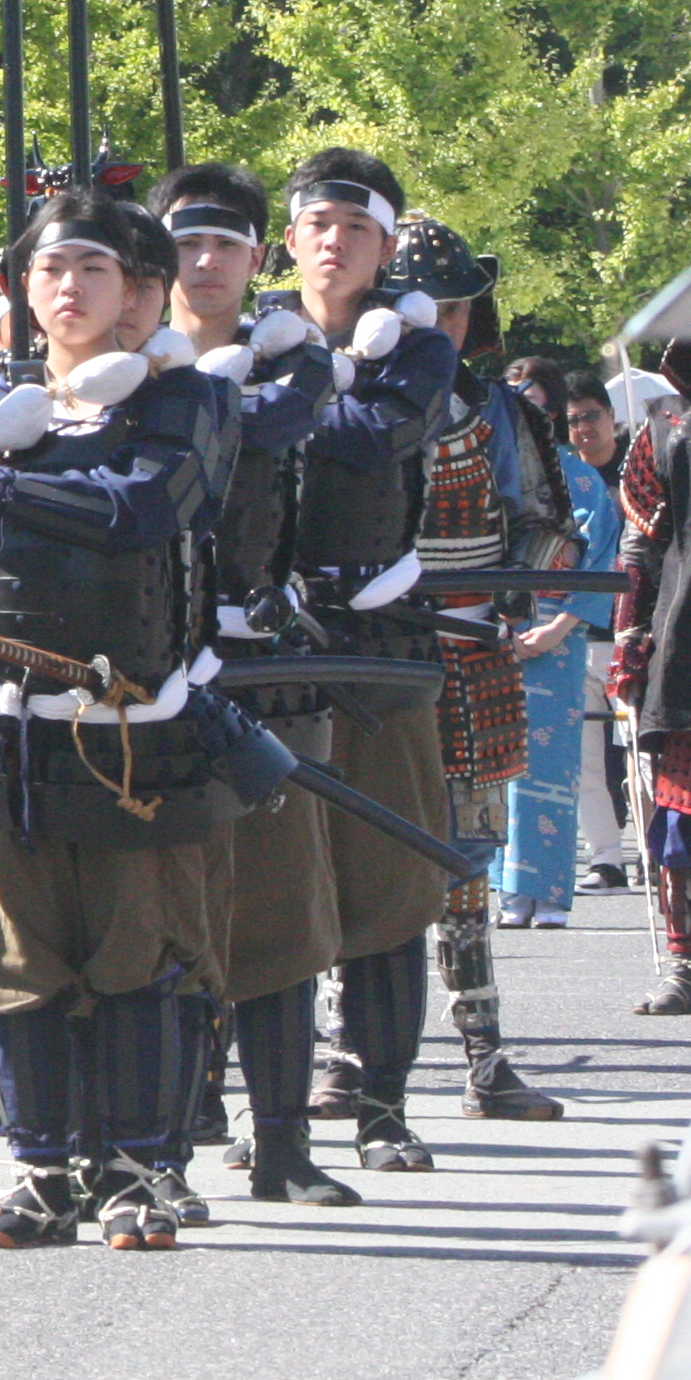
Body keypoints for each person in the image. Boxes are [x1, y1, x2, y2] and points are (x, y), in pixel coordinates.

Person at [0, 186, 229, 1250]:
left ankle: (137, 1169)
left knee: (136, 957)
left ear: (139, 288)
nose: (69, 287)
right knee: (10, 964)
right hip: (2, 728)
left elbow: (138, 509)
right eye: (50, 268)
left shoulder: (181, 403)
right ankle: (41, 1169)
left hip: (129, 729)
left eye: (94, 268)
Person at [157, 161, 356, 1209]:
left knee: (279, 916)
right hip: (141, 678)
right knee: (163, 924)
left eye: (224, 244)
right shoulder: (119, 372)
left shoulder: (296, 370)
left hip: (265, 669)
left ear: (254, 256)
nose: (204, 262)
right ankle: (164, 1151)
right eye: (186, 242)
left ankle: (281, 1140)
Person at [273, 151, 463, 1173]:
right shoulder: (250, 329)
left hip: (378, 641)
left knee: (388, 880)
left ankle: (384, 1103)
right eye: (317, 221)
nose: (334, 237)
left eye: (356, 223)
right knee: (265, 882)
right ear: (291, 239)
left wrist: (283, 400)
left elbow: (374, 436)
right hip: (263, 640)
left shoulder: (418, 348)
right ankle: (266, 1115)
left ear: (387, 245)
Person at [371, 211, 569, 1124]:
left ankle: (484, 1054)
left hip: (472, 652)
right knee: (356, 851)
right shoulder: (347, 397)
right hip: (370, 657)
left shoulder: (499, 409)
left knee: (464, 864)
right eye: (425, 311)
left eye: (455, 313)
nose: (441, 329)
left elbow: (544, 520)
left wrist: (523, 593)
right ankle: (345, 1059)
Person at [498, 371, 620, 925]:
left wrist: (558, 628)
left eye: (540, 408)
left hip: (559, 632)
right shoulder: (494, 477)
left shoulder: (586, 483)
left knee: (553, 763)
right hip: (501, 627)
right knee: (497, 760)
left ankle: (548, 891)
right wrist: (500, 620)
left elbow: (599, 563)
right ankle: (506, 889)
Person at [611, 340, 691, 1014]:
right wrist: (631, 637)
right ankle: (688, 967)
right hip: (689, 641)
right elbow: (641, 545)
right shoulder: (668, 436)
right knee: (684, 823)